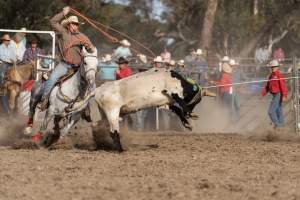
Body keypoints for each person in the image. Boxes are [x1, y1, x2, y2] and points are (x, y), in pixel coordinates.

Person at [39, 6, 95, 110]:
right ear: (69, 25)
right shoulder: (62, 32)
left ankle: (89, 109)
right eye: (73, 24)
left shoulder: (82, 37)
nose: (75, 26)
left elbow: (92, 49)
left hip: (78, 67)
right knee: (51, 79)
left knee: (92, 85)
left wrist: (90, 49)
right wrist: (63, 12)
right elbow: (53, 22)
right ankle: (44, 99)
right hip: (65, 65)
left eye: (77, 24)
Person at [261, 59, 288, 129]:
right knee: (279, 111)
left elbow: (283, 85)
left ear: (277, 67)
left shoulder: (279, 75)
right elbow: (267, 86)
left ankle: (278, 125)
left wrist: (284, 95)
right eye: (272, 67)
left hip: (278, 94)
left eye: (274, 67)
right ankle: (281, 126)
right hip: (275, 95)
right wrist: (263, 94)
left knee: (271, 111)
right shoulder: (271, 76)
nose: (273, 68)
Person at [0, 34, 17, 114]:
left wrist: (13, 60)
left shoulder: (11, 47)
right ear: (3, 40)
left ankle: (17, 86)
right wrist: (10, 59)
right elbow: (2, 57)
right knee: (2, 74)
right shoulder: (1, 47)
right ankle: (2, 86)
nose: (8, 41)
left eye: (8, 40)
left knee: (17, 74)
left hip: (11, 64)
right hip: (4, 63)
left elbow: (14, 56)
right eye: (6, 40)